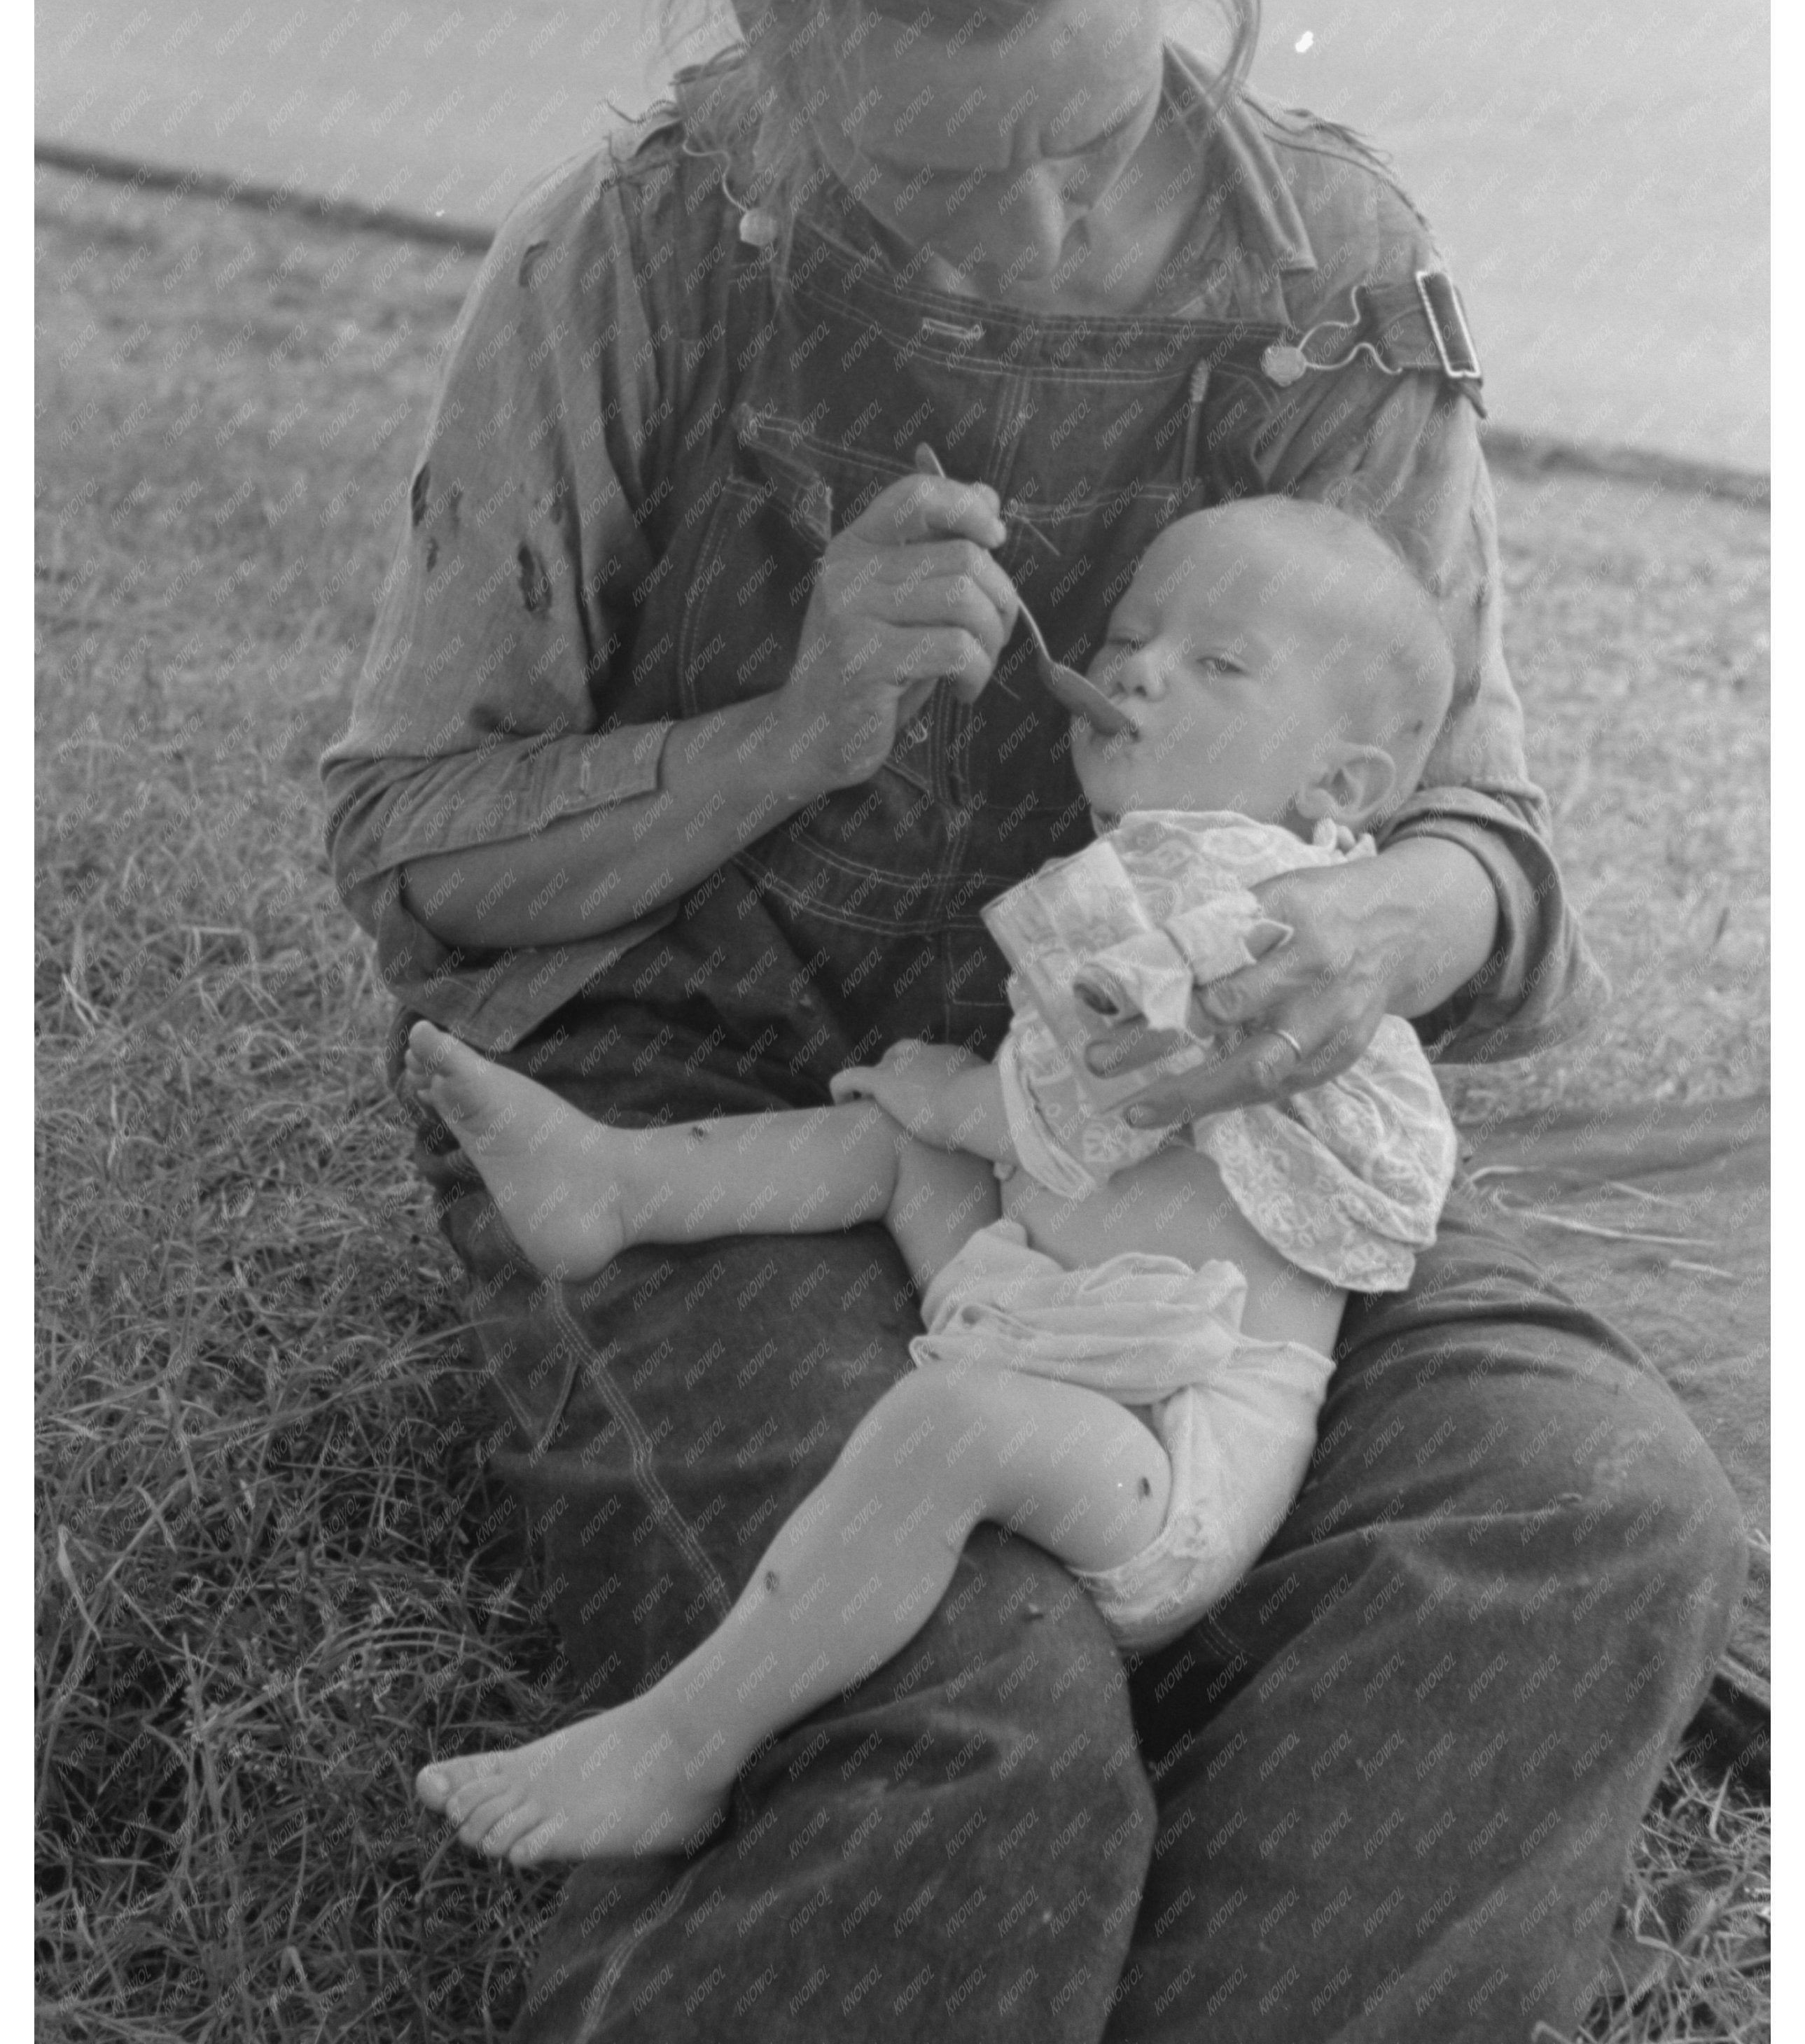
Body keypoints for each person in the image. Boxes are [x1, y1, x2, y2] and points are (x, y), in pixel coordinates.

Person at [322, 0, 1745, 2044]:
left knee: (1588, 1506)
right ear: (770, 42)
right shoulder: (629, 261)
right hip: (723, 1108)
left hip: (1205, 1156)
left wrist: (1370, 929)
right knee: (970, 1715)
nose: (1042, 232)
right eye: (929, 180)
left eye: (1085, 134)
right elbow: (406, 849)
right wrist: (783, 732)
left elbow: (1483, 848)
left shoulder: (1330, 267)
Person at [403, 498, 1461, 1865]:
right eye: (1131, 637)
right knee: (895, 1146)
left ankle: (682, 1741)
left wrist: (957, 1095)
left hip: (1158, 1455)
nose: (1134, 669)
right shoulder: (1155, 873)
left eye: (1218, 665)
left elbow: (1096, 1099)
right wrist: (943, 1110)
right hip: (1042, 1298)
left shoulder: (1270, 919)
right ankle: (613, 1183)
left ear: (1341, 786)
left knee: (943, 1412)